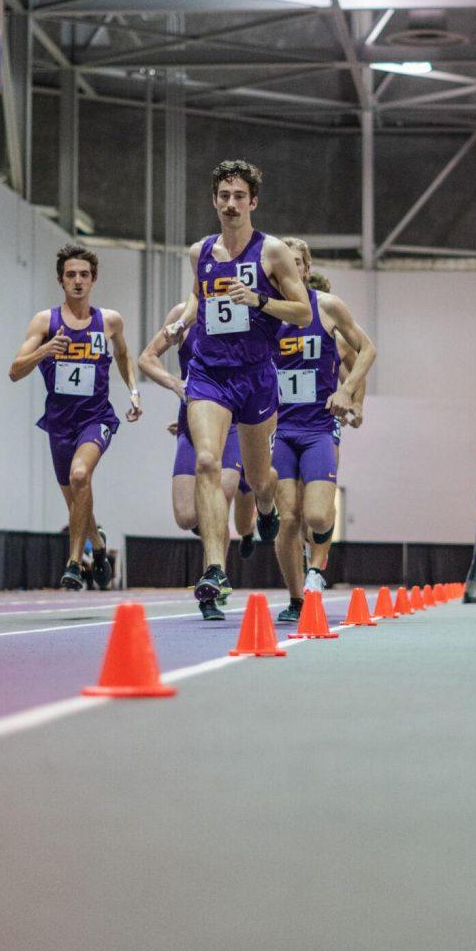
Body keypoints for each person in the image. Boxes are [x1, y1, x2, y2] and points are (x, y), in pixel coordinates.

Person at [164, 159, 311, 620]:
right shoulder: (200, 251)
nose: (230, 204)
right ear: (214, 200)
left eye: (239, 197)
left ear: (253, 202)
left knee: (258, 479)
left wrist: (260, 300)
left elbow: (303, 313)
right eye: (223, 196)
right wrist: (186, 317)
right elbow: (198, 293)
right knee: (207, 461)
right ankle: (213, 568)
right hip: (209, 373)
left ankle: (265, 512)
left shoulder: (272, 254)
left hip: (256, 375)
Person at [9, 243, 142, 591]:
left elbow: (125, 356)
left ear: (94, 279)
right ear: (61, 280)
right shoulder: (45, 321)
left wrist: (134, 391)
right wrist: (44, 349)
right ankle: (98, 547)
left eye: (84, 275)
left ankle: (73, 562)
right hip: (59, 423)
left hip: (95, 418)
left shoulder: (109, 320)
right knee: (75, 498)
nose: (78, 281)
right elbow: (14, 371)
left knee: (80, 475)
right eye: (71, 275)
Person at [273, 238, 377, 622]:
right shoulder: (263, 315)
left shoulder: (327, 308)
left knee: (316, 516)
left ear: (305, 268)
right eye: (281, 264)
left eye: (296, 263)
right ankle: (297, 597)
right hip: (278, 428)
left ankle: (317, 564)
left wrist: (350, 394)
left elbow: (364, 351)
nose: (289, 270)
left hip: (319, 425)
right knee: (287, 519)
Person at [139, 300, 243, 613]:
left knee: (220, 494)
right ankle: (214, 537)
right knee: (187, 516)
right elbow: (146, 358)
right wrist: (175, 384)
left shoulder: (243, 308)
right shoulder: (180, 314)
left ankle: (214, 578)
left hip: (235, 421)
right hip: (192, 420)